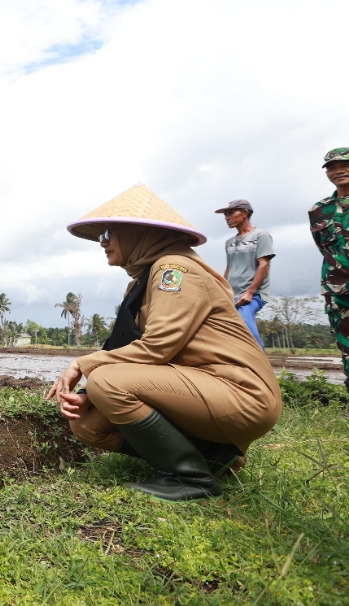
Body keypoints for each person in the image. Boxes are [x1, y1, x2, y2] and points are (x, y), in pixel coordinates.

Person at [46, 184, 281, 502]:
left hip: (240, 395)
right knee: (87, 424)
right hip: (199, 388)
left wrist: (81, 365)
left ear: (137, 233)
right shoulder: (143, 280)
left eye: (109, 233)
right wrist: (89, 393)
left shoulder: (175, 270)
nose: (103, 243)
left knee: (106, 381)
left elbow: (157, 347)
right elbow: (124, 347)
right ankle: (215, 458)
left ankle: (193, 478)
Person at [309, 147, 349, 392]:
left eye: (345, 164)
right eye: (332, 167)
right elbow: (324, 248)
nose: (339, 171)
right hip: (338, 289)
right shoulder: (318, 210)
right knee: (346, 345)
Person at [215, 199, 274, 348]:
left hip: (253, 294)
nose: (227, 217)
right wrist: (221, 290)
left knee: (246, 326)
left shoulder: (260, 236)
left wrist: (250, 292)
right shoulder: (229, 242)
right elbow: (229, 268)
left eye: (231, 213)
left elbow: (264, 265)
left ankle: (260, 367)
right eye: (225, 214)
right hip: (232, 294)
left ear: (244, 213)